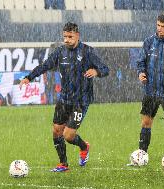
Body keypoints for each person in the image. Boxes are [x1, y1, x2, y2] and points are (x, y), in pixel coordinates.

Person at [19, 22, 109, 172]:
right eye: (65, 37)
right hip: (64, 99)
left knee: (68, 135)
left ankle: (84, 146)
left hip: (81, 100)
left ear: (77, 36)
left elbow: (105, 69)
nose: (67, 40)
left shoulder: (87, 52)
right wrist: (29, 77)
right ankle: (63, 164)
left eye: (70, 37)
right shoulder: (60, 52)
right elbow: (45, 66)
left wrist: (96, 72)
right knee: (56, 131)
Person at [133, 13, 164, 165]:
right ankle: (142, 155)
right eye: (158, 25)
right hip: (151, 91)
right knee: (146, 122)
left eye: (163, 26)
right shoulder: (149, 42)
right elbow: (140, 62)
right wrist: (141, 72)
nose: (159, 29)